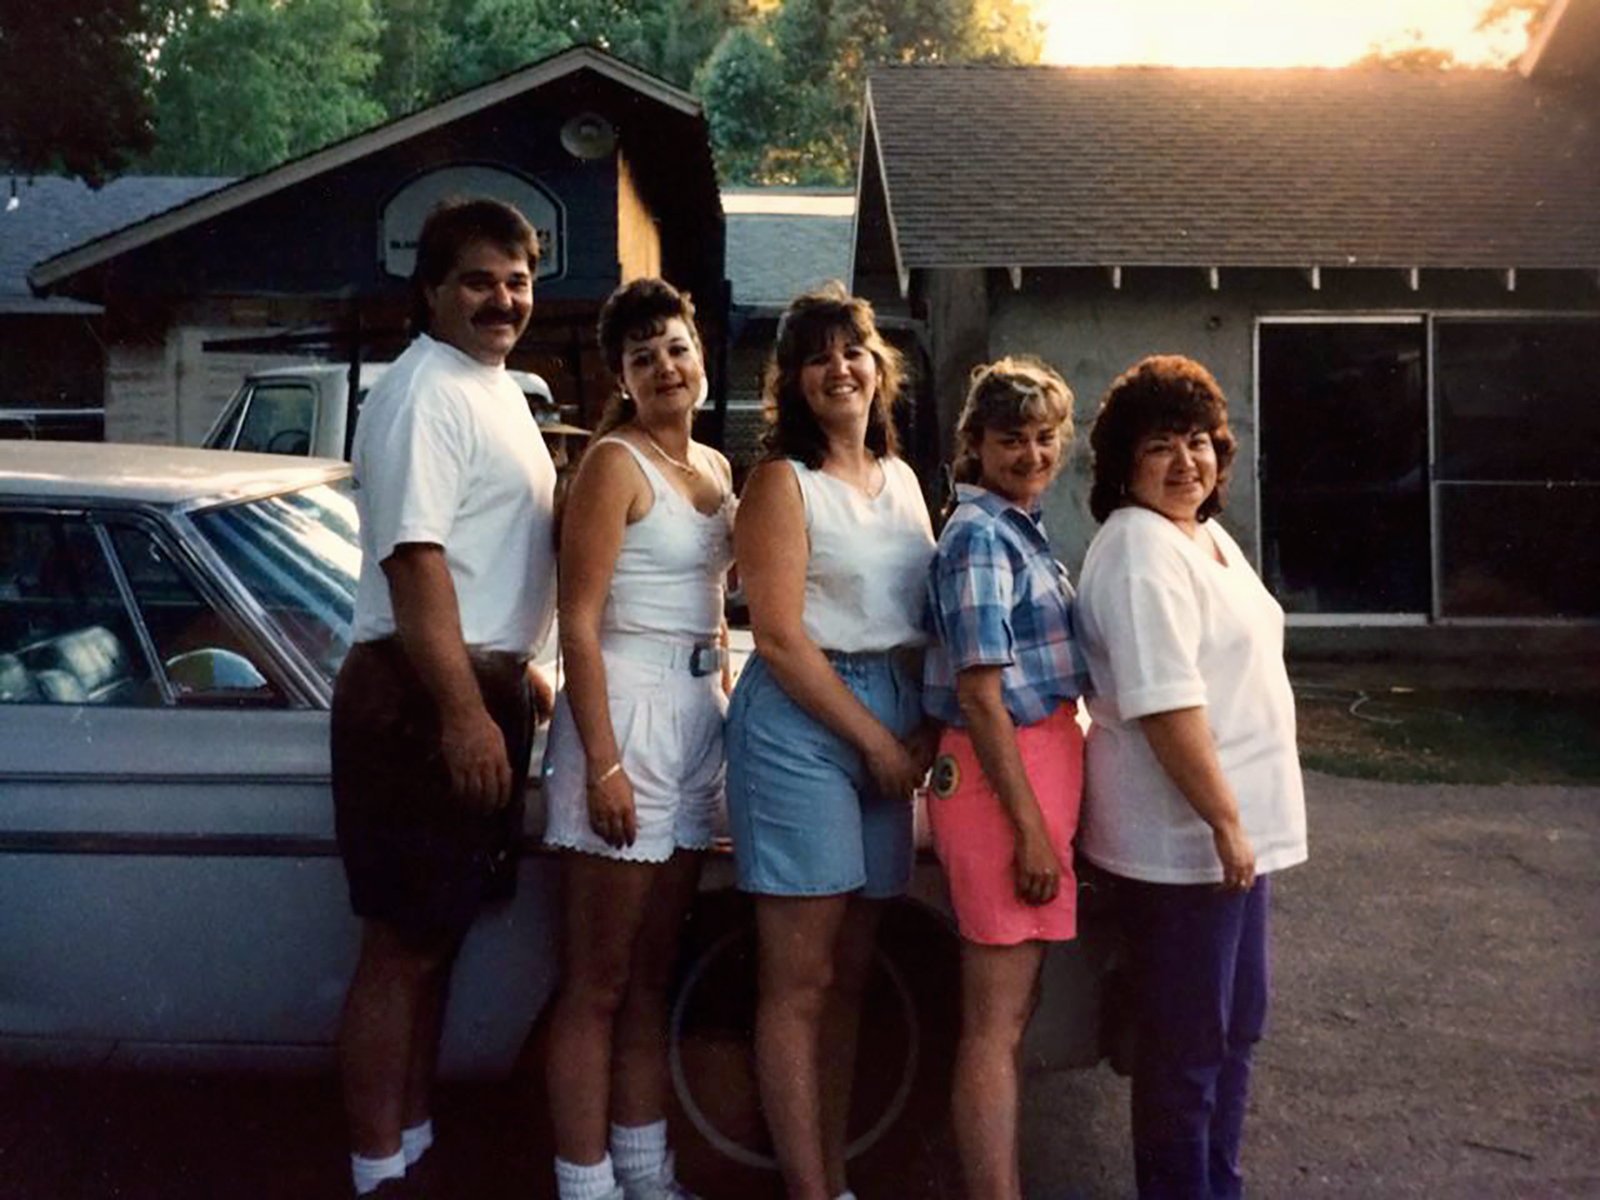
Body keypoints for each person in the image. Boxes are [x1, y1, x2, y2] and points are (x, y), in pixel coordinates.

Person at [331, 197, 557, 1199]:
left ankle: (412, 1150)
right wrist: (465, 710)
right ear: (429, 292)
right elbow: (415, 561)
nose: (502, 299)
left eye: (517, 281)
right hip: (418, 697)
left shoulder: (492, 389)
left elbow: (485, 551)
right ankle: (377, 1171)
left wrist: (519, 671)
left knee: (438, 941)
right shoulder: (423, 391)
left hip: (473, 685)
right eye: (477, 281)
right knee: (402, 945)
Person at [1074, 355, 1308, 1200]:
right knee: (1186, 1052)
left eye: (1199, 442)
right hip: (1185, 848)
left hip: (1230, 843)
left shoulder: (1202, 535)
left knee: (1234, 1033)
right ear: (1123, 464)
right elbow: (1166, 707)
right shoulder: (1139, 549)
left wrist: (1240, 827)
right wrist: (1225, 821)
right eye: (1159, 446)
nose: (1186, 462)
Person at [725, 282, 936, 1200]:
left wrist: (917, 728)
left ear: (878, 366)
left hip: (892, 707)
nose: (838, 368)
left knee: (852, 973)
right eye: (816, 357)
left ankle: (836, 1178)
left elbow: (920, 617)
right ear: (794, 382)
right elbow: (777, 636)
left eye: (852, 350)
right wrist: (877, 744)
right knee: (801, 979)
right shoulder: (783, 483)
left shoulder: (905, 481)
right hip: (803, 722)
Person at [542, 278, 734, 1200]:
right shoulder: (613, 465)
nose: (666, 367)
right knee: (598, 981)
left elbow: (714, 608)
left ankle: (647, 1177)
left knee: (653, 977)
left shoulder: (720, 468)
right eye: (643, 356)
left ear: (702, 355)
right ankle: (586, 1186)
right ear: (621, 376)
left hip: (696, 720)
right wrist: (604, 763)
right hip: (623, 717)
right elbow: (577, 625)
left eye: (677, 347)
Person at [921, 357, 1089, 1200]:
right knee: (992, 1026)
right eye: (1012, 438)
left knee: (1012, 1019)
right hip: (1002, 783)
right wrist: (1028, 831)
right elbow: (981, 697)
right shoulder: (981, 536)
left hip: (1034, 769)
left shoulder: (1019, 527)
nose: (1032, 453)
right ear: (976, 445)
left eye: (1045, 436)